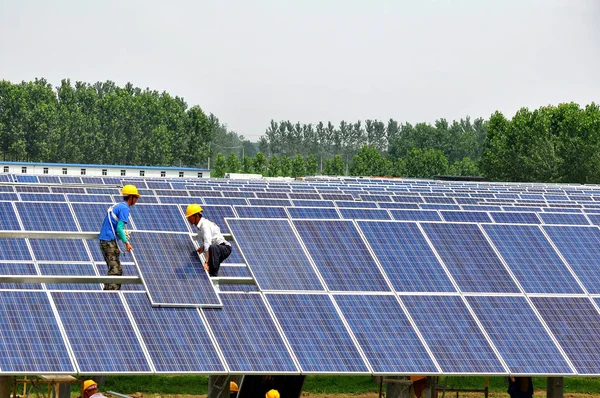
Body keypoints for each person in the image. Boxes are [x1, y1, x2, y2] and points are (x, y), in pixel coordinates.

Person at [98, 184, 140, 290]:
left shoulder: (118, 206)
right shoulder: (125, 208)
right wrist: (126, 242)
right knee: (115, 271)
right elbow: (120, 228)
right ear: (131, 197)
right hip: (109, 241)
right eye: (136, 197)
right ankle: (111, 296)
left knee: (115, 269)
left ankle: (108, 294)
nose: (137, 200)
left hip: (106, 240)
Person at [186, 204, 231, 277]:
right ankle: (212, 276)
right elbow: (210, 239)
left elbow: (208, 243)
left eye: (190, 217)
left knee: (212, 248)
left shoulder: (204, 225)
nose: (188, 219)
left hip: (224, 248)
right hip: (217, 249)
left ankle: (212, 273)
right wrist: (203, 247)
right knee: (211, 251)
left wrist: (206, 263)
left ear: (196, 216)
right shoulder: (201, 227)